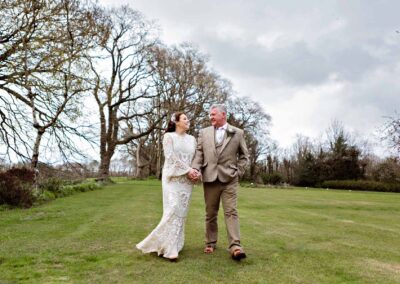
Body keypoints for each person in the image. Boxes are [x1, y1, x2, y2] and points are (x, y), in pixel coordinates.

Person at [136, 112, 200, 261]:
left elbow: (195, 158)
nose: (188, 121)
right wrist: (187, 170)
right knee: (173, 208)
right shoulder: (168, 137)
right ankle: (168, 248)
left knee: (181, 213)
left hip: (186, 181)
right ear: (177, 122)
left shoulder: (192, 139)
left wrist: (195, 172)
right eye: (185, 119)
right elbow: (171, 157)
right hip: (172, 178)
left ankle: (174, 244)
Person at [190, 104, 249, 261]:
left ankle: (235, 246)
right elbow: (199, 153)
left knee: (231, 211)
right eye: (210, 115)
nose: (211, 117)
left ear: (223, 115)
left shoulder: (238, 133)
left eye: (214, 114)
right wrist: (195, 169)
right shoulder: (203, 132)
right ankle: (210, 242)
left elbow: (245, 156)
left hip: (229, 179)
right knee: (210, 213)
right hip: (209, 178)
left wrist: (239, 171)